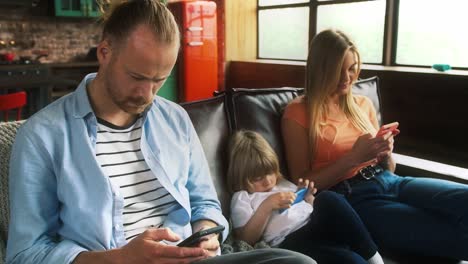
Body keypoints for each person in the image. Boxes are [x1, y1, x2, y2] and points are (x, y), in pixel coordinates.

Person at [6, 1, 317, 264]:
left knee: (299, 261)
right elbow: (26, 252)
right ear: (104, 52)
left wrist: (207, 232)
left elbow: (204, 203)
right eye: (137, 77)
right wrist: (120, 258)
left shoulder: (175, 120)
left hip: (189, 257)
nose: (147, 95)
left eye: (159, 80)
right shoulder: (42, 136)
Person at [281, 29, 468, 260]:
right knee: (452, 235)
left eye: (351, 69)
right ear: (321, 69)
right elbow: (301, 184)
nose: (347, 78)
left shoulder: (363, 103)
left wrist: (386, 153)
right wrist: (353, 158)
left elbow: (390, 169)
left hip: (390, 181)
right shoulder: (298, 111)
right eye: (337, 70)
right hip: (351, 199)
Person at [227, 130, 384, 264]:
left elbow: (309, 208)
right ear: (241, 177)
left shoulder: (283, 185)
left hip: (316, 225)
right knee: (350, 259)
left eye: (270, 172)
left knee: (327, 198)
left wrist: (308, 198)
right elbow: (246, 240)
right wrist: (267, 206)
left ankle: (372, 255)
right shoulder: (243, 197)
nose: (268, 181)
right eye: (257, 178)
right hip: (292, 241)